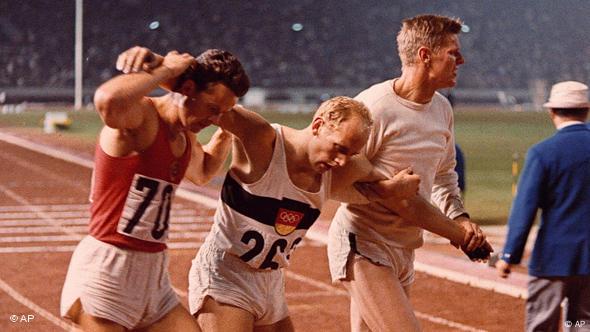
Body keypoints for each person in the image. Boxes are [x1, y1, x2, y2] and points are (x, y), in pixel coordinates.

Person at [60, 46, 250, 331]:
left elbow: (203, 171)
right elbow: (108, 100)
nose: (214, 119)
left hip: (153, 276)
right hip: (109, 267)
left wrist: (226, 132)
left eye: (221, 113)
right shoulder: (143, 117)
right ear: (186, 88)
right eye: (212, 109)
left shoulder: (184, 137)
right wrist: (167, 70)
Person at [327, 14, 492, 331]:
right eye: (453, 54)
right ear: (425, 56)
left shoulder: (442, 109)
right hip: (364, 243)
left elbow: (444, 175)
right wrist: (385, 191)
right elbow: (335, 180)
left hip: (404, 249)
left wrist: (459, 218)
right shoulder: (374, 108)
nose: (462, 60)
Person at [495, 81, 590, 332]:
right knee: (582, 325)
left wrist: (509, 256)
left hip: (552, 261)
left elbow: (525, 208)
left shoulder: (543, 153)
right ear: (586, 110)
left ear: (552, 112)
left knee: (542, 326)